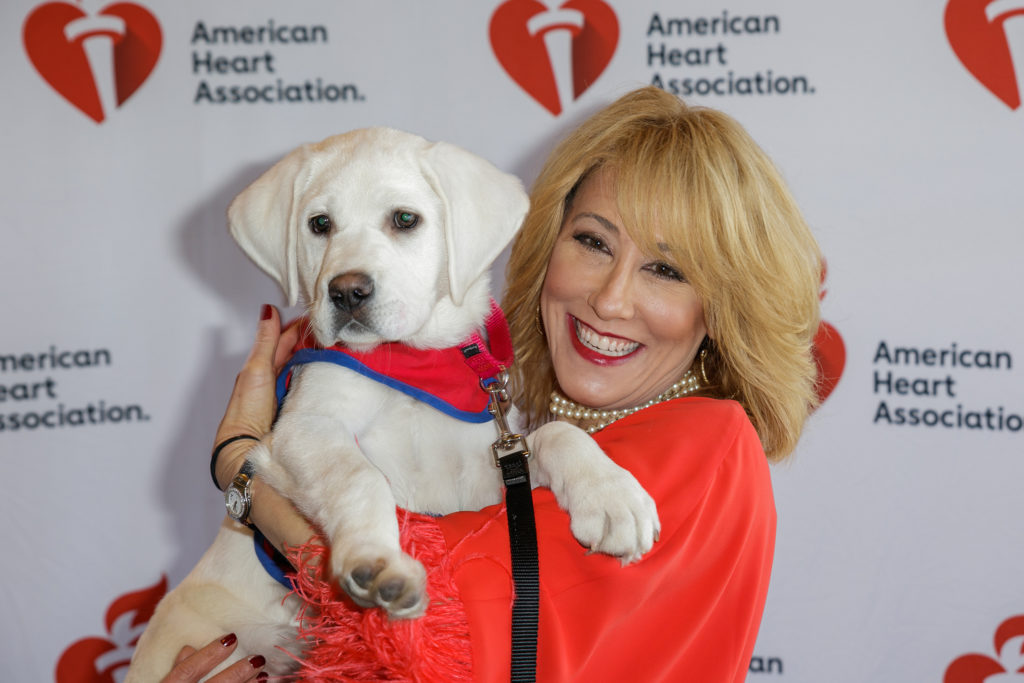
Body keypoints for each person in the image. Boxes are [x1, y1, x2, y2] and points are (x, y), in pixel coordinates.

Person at [163, 85, 821, 682]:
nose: (612, 299)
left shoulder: (709, 445)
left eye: (667, 271)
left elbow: (423, 619)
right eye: (593, 242)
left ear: (724, 305)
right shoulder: (536, 419)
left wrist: (242, 468)